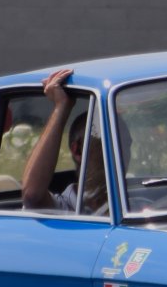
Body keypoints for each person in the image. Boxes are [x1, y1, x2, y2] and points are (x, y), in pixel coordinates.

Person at [21, 68, 107, 214]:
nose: (122, 152)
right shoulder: (66, 207)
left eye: (125, 143)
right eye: (106, 144)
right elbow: (32, 195)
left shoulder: (137, 199)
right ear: (77, 150)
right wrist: (62, 106)